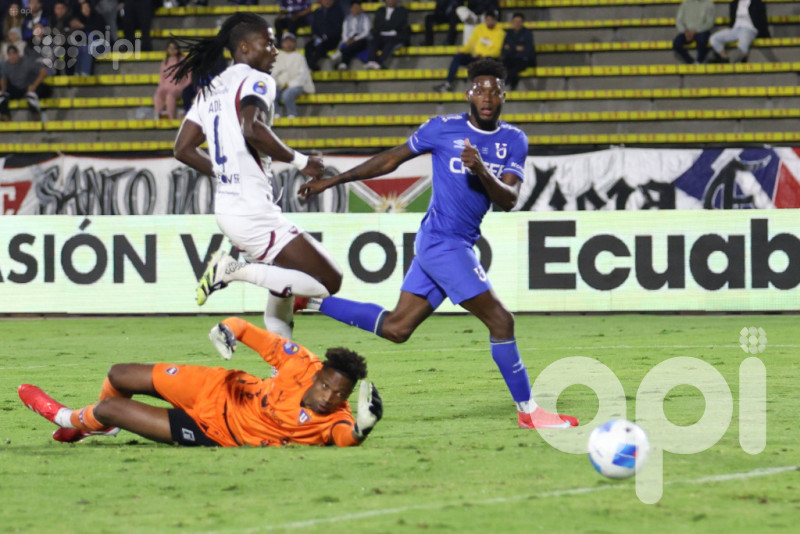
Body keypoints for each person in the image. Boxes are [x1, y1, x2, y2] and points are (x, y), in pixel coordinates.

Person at [299, 58, 578, 430]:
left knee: (397, 328)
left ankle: (309, 301)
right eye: (480, 90)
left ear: (504, 97)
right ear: (468, 94)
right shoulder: (441, 129)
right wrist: (331, 181)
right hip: (442, 243)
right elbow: (390, 159)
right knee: (501, 321)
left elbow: (508, 199)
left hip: (452, 242)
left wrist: (481, 169)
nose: (487, 97)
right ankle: (529, 411)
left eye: (494, 91)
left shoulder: (514, 140)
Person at [171, 13, 343, 340]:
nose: (274, 51)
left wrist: (225, 174)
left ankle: (283, 364)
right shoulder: (256, 79)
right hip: (251, 211)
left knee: (282, 290)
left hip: (230, 208)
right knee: (329, 281)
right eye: (269, 43)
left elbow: (183, 149)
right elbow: (251, 128)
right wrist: (302, 161)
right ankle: (232, 270)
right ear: (245, 47)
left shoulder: (210, 88)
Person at [18, 317, 383, 447]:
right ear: (317, 374)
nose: (329, 398)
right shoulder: (300, 361)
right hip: (220, 387)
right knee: (118, 374)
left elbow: (344, 437)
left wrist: (361, 431)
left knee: (110, 408)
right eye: (326, 387)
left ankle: (66, 418)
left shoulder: (337, 419)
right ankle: (99, 428)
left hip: (215, 430)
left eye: (340, 395)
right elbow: (244, 328)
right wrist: (226, 330)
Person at [434, 9, 503, 92]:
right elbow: (471, 43)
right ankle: (447, 84)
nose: (489, 22)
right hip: (475, 57)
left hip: (487, 59)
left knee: (487, 60)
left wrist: (481, 54)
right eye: (487, 20)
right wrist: (463, 51)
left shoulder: (500, 33)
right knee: (458, 57)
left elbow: (497, 51)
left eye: (491, 20)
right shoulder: (479, 29)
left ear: (495, 21)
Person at [0, 44, 51, 121]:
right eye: (10, 55)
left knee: (35, 95)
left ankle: (40, 117)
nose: (12, 57)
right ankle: (8, 123)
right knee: (2, 98)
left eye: (14, 54)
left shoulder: (27, 62)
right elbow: (3, 79)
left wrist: (34, 85)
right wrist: (3, 90)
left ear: (18, 54)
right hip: (16, 90)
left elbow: (44, 72)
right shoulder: (6, 65)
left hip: (30, 88)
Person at [272, 32, 314, 118]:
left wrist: (289, 84)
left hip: (296, 85)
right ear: (282, 43)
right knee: (271, 92)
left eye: (291, 41)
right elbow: (273, 73)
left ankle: (292, 114)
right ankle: (276, 113)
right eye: (286, 42)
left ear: (294, 43)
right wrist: (278, 83)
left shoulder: (300, 56)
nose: (288, 44)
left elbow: (302, 75)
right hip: (279, 85)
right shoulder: (277, 56)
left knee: (287, 94)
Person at [365, 0, 410, 70]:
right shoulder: (380, 10)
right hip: (380, 35)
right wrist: (389, 25)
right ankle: (371, 61)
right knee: (372, 41)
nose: (391, 1)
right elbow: (377, 25)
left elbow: (398, 24)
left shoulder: (402, 11)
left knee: (390, 43)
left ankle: (379, 63)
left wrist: (385, 25)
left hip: (394, 35)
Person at [154, 39, 191, 119]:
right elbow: (161, 77)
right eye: (170, 48)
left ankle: (170, 117)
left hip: (178, 87)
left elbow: (189, 76)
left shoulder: (183, 60)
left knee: (170, 95)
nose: (172, 50)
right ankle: (158, 115)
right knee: (158, 95)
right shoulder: (165, 62)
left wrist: (184, 86)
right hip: (166, 86)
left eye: (174, 48)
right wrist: (161, 86)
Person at [330, 0, 371, 70]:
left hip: (360, 39)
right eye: (354, 8)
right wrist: (346, 40)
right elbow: (344, 32)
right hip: (349, 39)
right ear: (351, 9)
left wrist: (354, 39)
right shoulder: (347, 19)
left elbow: (366, 32)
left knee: (353, 46)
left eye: (357, 7)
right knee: (345, 45)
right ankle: (342, 62)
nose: (356, 9)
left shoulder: (365, 17)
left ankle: (343, 60)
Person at [303, 0, 343, 72]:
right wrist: (316, 36)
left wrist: (326, 36)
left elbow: (338, 28)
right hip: (319, 38)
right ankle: (311, 66)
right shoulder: (317, 12)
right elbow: (314, 27)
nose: (327, 2)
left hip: (332, 39)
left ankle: (310, 66)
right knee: (308, 46)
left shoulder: (338, 11)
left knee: (321, 46)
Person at [672, 0, 715, 64]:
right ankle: (691, 61)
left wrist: (695, 31)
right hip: (687, 31)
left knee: (702, 40)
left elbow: (710, 23)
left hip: (701, 31)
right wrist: (685, 31)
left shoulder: (709, 4)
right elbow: (679, 21)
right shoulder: (685, 4)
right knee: (676, 43)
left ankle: (700, 60)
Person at [501, 12, 535, 90]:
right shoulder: (509, 34)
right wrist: (516, 48)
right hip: (510, 59)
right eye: (515, 21)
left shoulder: (527, 34)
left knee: (514, 69)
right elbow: (504, 50)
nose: (517, 24)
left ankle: (509, 86)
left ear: (523, 22)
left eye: (519, 22)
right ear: (512, 22)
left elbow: (528, 51)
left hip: (522, 60)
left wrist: (511, 48)